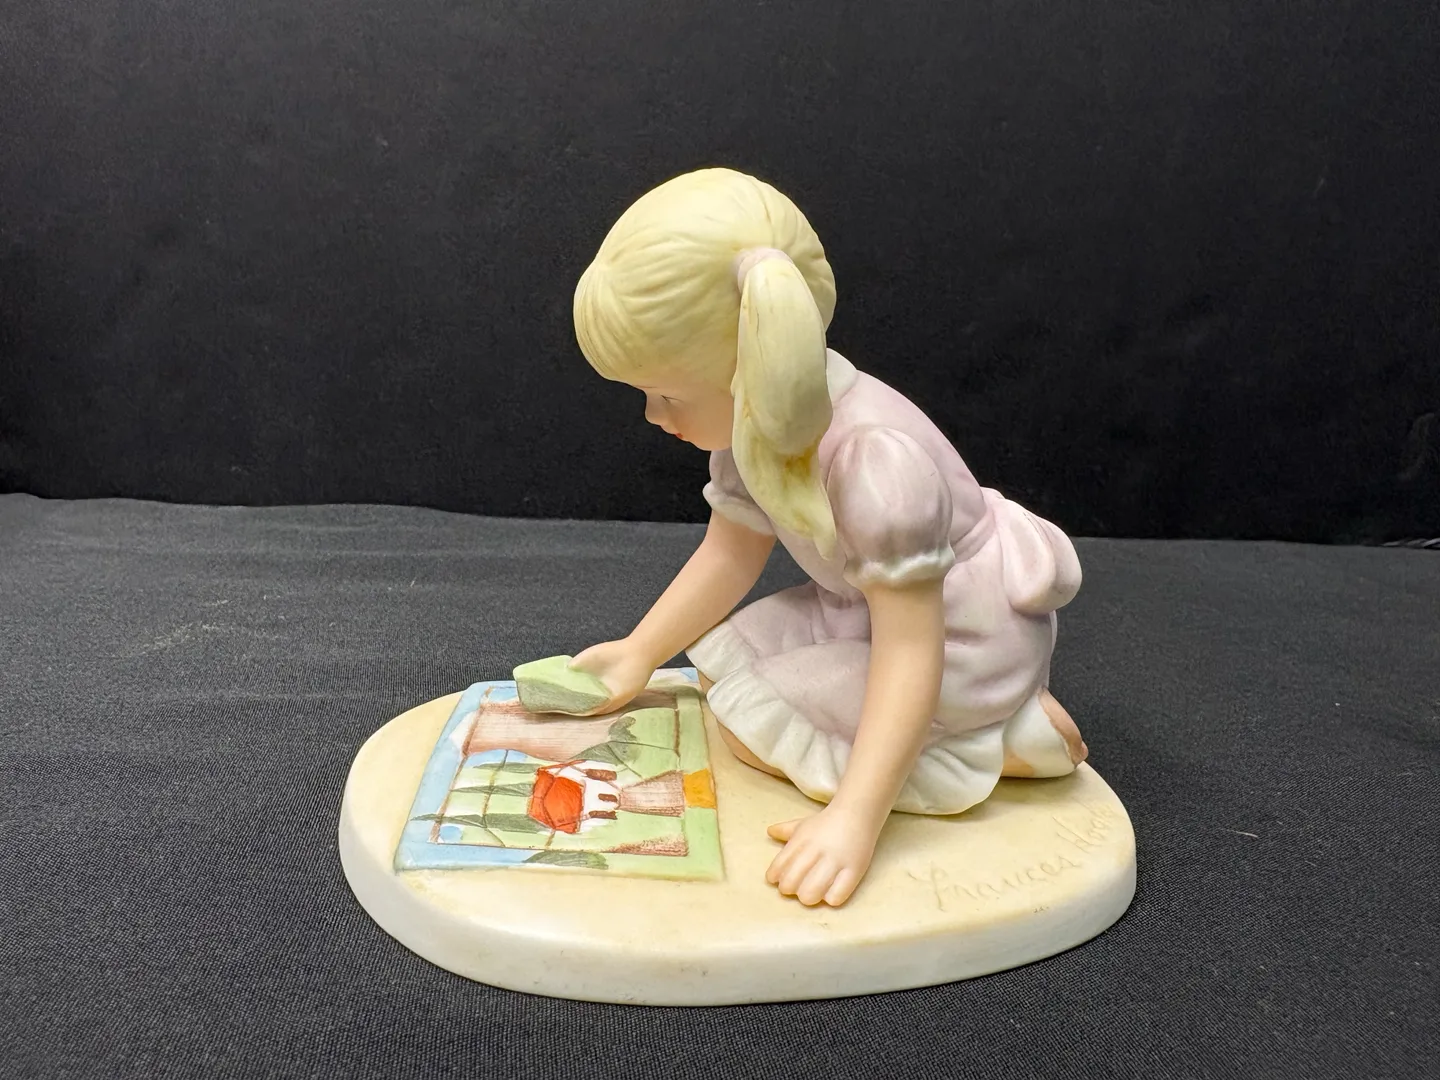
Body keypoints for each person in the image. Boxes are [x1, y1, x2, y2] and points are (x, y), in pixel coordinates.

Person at [568, 167, 1087, 907]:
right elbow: (729, 554)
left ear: (746, 364)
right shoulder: (754, 426)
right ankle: (962, 732)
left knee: (746, 728)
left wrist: (854, 819)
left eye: (667, 394)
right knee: (717, 675)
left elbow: (912, 648)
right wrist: (639, 651)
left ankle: (1002, 734)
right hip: (859, 609)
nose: (655, 416)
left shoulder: (876, 462)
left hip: (962, 640)